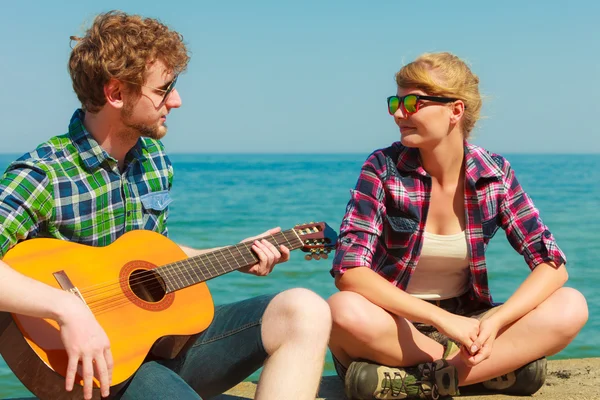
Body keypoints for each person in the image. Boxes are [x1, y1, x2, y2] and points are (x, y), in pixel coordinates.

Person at [0, 11, 331, 400]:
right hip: (99, 370)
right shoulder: (43, 173)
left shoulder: (154, 160)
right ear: (116, 93)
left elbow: (152, 263)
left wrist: (236, 255)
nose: (176, 101)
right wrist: (66, 309)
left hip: (163, 345)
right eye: (163, 89)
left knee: (303, 308)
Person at [327, 52, 588, 400]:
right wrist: (441, 322)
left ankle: (416, 383)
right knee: (340, 311)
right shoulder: (382, 168)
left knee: (571, 306)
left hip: (469, 324)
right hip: (396, 327)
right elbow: (350, 272)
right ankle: (489, 373)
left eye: (412, 102)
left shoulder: (494, 173)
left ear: (455, 110)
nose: (399, 113)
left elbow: (551, 264)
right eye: (395, 101)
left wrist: (493, 322)